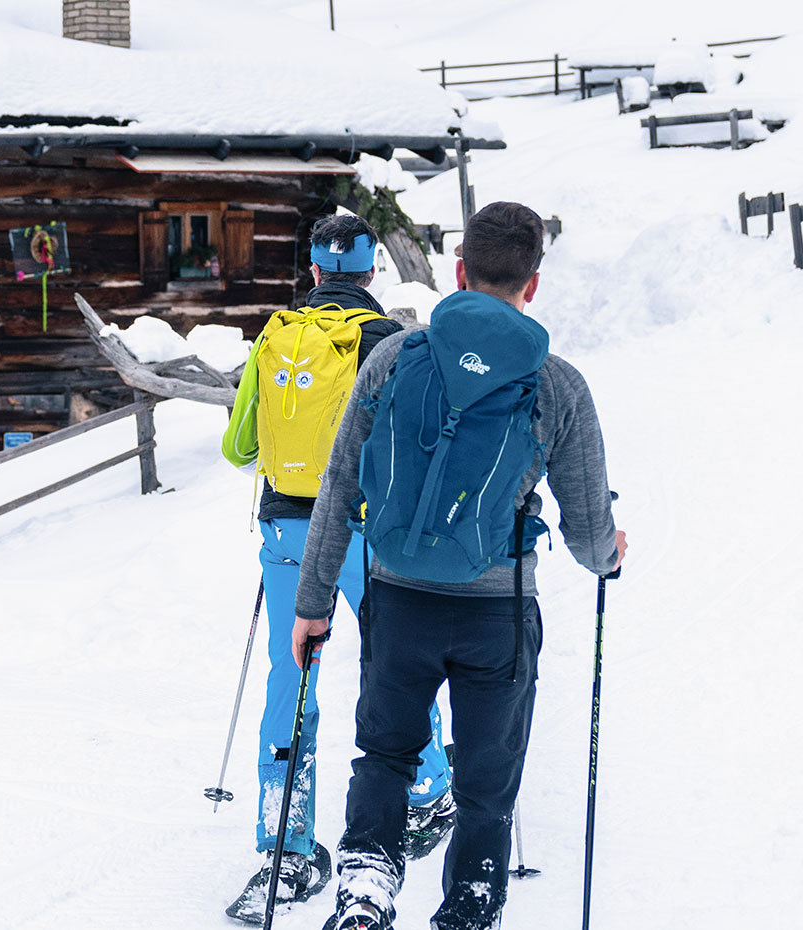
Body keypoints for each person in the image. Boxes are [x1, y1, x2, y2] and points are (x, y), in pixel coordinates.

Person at [294, 202, 627, 930]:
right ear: (532, 284)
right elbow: (587, 533)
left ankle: (365, 892)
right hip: (496, 615)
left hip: (398, 600)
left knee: (384, 755)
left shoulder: (393, 357)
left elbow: (341, 484)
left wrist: (313, 600)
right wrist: (609, 555)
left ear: (458, 271)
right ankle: (471, 906)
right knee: (486, 784)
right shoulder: (556, 385)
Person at [219, 214, 456, 924]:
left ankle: (285, 849)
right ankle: (427, 791)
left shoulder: (276, 335)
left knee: (291, 682)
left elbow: (239, 448)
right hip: (369, 531)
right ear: (371, 272)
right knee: (399, 665)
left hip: (289, 525)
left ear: (314, 272)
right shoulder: (391, 339)